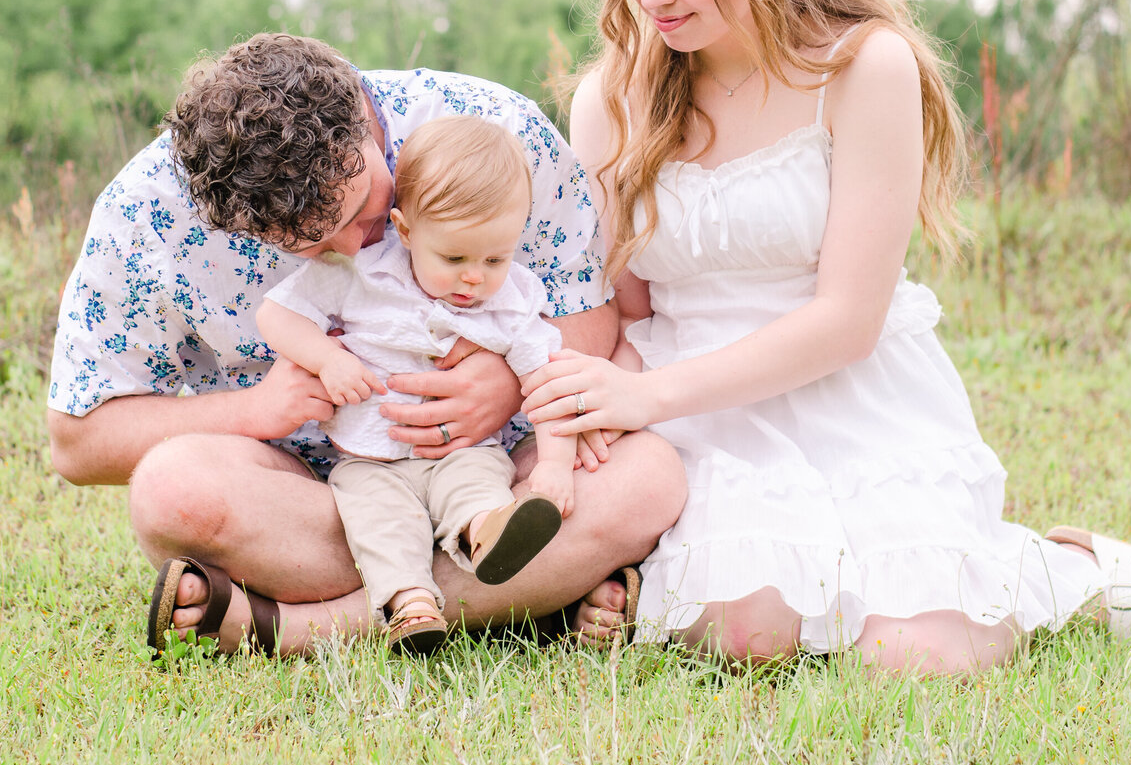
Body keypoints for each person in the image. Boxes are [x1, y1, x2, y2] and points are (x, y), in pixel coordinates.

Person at [524, 0, 1131, 670]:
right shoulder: (612, 98)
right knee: (750, 633)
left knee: (916, 654)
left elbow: (849, 321)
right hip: (698, 410)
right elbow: (627, 310)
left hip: (852, 390)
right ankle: (638, 580)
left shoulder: (867, 68)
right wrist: (608, 402)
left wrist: (648, 398)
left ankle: (1077, 570)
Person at [49, 35, 686, 654]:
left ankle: (290, 629)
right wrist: (254, 411)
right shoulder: (144, 217)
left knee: (648, 479)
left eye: (365, 213)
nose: (356, 249)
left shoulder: (494, 134)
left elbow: (592, 317)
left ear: (365, 117)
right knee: (170, 490)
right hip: (304, 502)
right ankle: (531, 593)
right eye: (311, 246)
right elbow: (77, 442)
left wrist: (505, 383)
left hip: (491, 470)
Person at [254, 117, 576, 654]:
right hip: (370, 460)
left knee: (477, 486)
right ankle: (410, 605)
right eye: (454, 258)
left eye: (496, 258)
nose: (475, 277)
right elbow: (278, 315)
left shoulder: (514, 299)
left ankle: (490, 533)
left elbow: (547, 381)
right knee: (376, 518)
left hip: (463, 451)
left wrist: (555, 466)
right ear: (405, 231)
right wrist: (326, 359)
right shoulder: (358, 274)